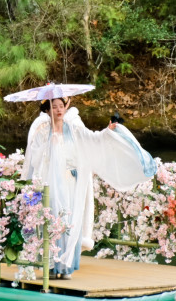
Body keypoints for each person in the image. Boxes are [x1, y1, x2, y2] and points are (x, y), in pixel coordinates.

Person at [21, 97, 157, 279]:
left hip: (70, 181)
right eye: (54, 107)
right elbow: (35, 157)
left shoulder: (74, 129)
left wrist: (108, 131)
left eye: (61, 106)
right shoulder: (42, 131)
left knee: (70, 219)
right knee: (53, 218)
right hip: (51, 183)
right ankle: (52, 265)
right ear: (47, 110)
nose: (59, 110)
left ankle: (67, 266)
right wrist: (49, 144)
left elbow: (92, 139)